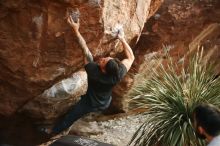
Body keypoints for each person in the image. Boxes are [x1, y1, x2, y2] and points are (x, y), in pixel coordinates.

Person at [40, 15, 135, 135]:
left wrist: (75, 30)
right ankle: (88, 113)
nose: (102, 58)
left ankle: (53, 131)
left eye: (103, 61)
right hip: (105, 101)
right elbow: (131, 57)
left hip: (90, 102)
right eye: (107, 58)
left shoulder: (94, 72)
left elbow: (85, 49)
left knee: (72, 115)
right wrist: (122, 38)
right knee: (90, 104)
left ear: (103, 70)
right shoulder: (119, 72)